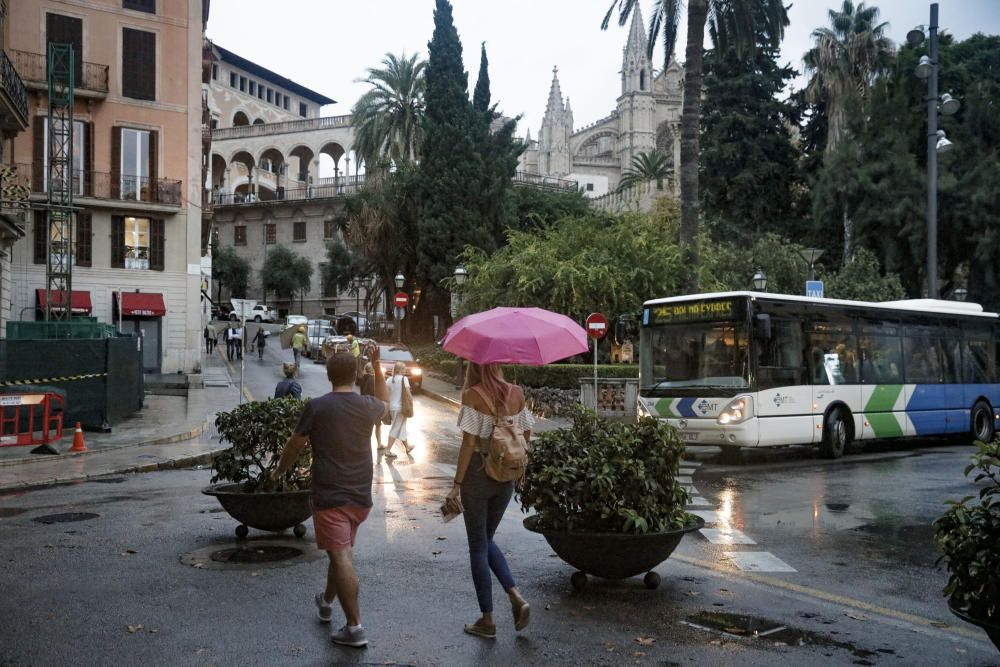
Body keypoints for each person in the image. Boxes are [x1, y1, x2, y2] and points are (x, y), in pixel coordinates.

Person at [272, 349, 389, 648]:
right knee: (342, 553)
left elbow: (295, 445)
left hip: (330, 495)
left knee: (341, 556)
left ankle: (355, 627)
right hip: (361, 495)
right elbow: (386, 404)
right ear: (357, 375)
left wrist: (279, 472)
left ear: (328, 375)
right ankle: (325, 601)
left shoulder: (318, 407)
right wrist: (376, 366)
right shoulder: (367, 405)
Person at [445, 362, 533, 638]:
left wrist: (456, 484)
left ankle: (488, 620)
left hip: (477, 476)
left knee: (478, 546)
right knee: (486, 538)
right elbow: (526, 435)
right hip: (506, 475)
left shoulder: (472, 395)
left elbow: (468, 444)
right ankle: (515, 596)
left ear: (475, 366)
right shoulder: (516, 393)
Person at [380, 361, 413, 460]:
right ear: (400, 370)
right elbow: (408, 393)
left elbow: (385, 392)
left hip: (392, 407)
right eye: (404, 369)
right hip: (401, 408)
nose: (405, 370)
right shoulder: (404, 379)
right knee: (396, 428)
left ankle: (407, 447)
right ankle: (388, 450)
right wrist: (411, 402)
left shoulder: (390, 379)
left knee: (401, 427)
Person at [359, 362, 382, 449]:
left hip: (364, 404)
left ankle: (362, 444)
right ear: (372, 369)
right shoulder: (372, 379)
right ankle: (379, 444)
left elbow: (363, 391)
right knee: (377, 425)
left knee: (366, 426)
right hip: (372, 404)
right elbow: (373, 392)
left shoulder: (363, 378)